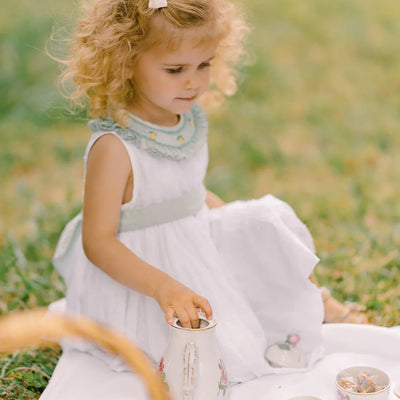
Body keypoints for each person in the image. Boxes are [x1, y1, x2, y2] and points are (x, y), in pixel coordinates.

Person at [40, 0, 366, 398]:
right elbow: (98, 242)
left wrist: (248, 231)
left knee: (266, 219)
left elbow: (189, 195)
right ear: (126, 62)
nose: (193, 82)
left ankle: (315, 302)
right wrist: (164, 288)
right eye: (175, 70)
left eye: (204, 64)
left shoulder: (188, 122)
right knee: (223, 350)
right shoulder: (115, 147)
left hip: (194, 238)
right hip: (144, 270)